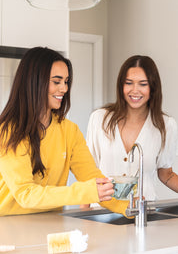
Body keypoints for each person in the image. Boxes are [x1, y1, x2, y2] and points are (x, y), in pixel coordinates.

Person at [0, 46, 129, 216]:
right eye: (57, 81)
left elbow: (92, 179)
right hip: (10, 228)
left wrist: (129, 209)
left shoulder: (69, 131)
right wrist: (87, 192)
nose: (65, 88)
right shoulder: (9, 131)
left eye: (66, 81)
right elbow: (26, 194)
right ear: (34, 81)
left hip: (51, 224)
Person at [82, 55, 178, 208]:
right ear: (121, 86)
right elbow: (88, 174)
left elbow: (166, 175)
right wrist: (84, 215)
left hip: (144, 213)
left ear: (152, 87)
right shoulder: (100, 119)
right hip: (102, 212)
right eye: (129, 83)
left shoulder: (166, 125)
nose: (135, 90)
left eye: (142, 84)